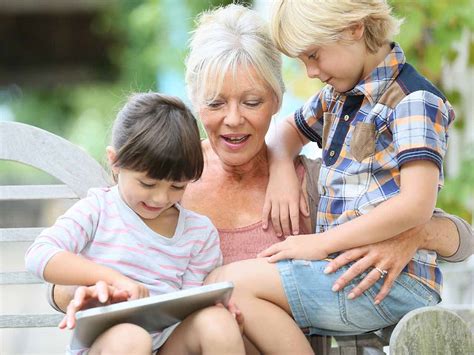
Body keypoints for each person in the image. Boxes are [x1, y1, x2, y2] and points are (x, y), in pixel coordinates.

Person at [49, 4, 473, 354]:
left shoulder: (315, 181)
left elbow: (461, 240)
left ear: (275, 99)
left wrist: (415, 234)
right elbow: (75, 269)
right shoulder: (164, 175)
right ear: (195, 101)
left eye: (252, 101)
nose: (233, 120)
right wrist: (88, 289)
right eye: (215, 103)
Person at [203, 1, 466, 353]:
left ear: (354, 29)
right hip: (352, 274)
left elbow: (417, 204)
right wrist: (281, 168)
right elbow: (286, 134)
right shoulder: (338, 97)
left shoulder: (413, 100)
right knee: (229, 287)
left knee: (228, 282)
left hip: (391, 280)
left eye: (314, 55)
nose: (310, 71)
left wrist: (320, 244)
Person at [25, 93, 245, 355]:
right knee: (132, 338)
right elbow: (39, 256)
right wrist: (114, 279)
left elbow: (187, 308)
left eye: (177, 186)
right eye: (148, 184)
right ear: (115, 162)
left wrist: (214, 308)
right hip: (113, 344)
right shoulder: (99, 209)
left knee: (217, 323)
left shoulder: (199, 233)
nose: (161, 198)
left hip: (167, 343)